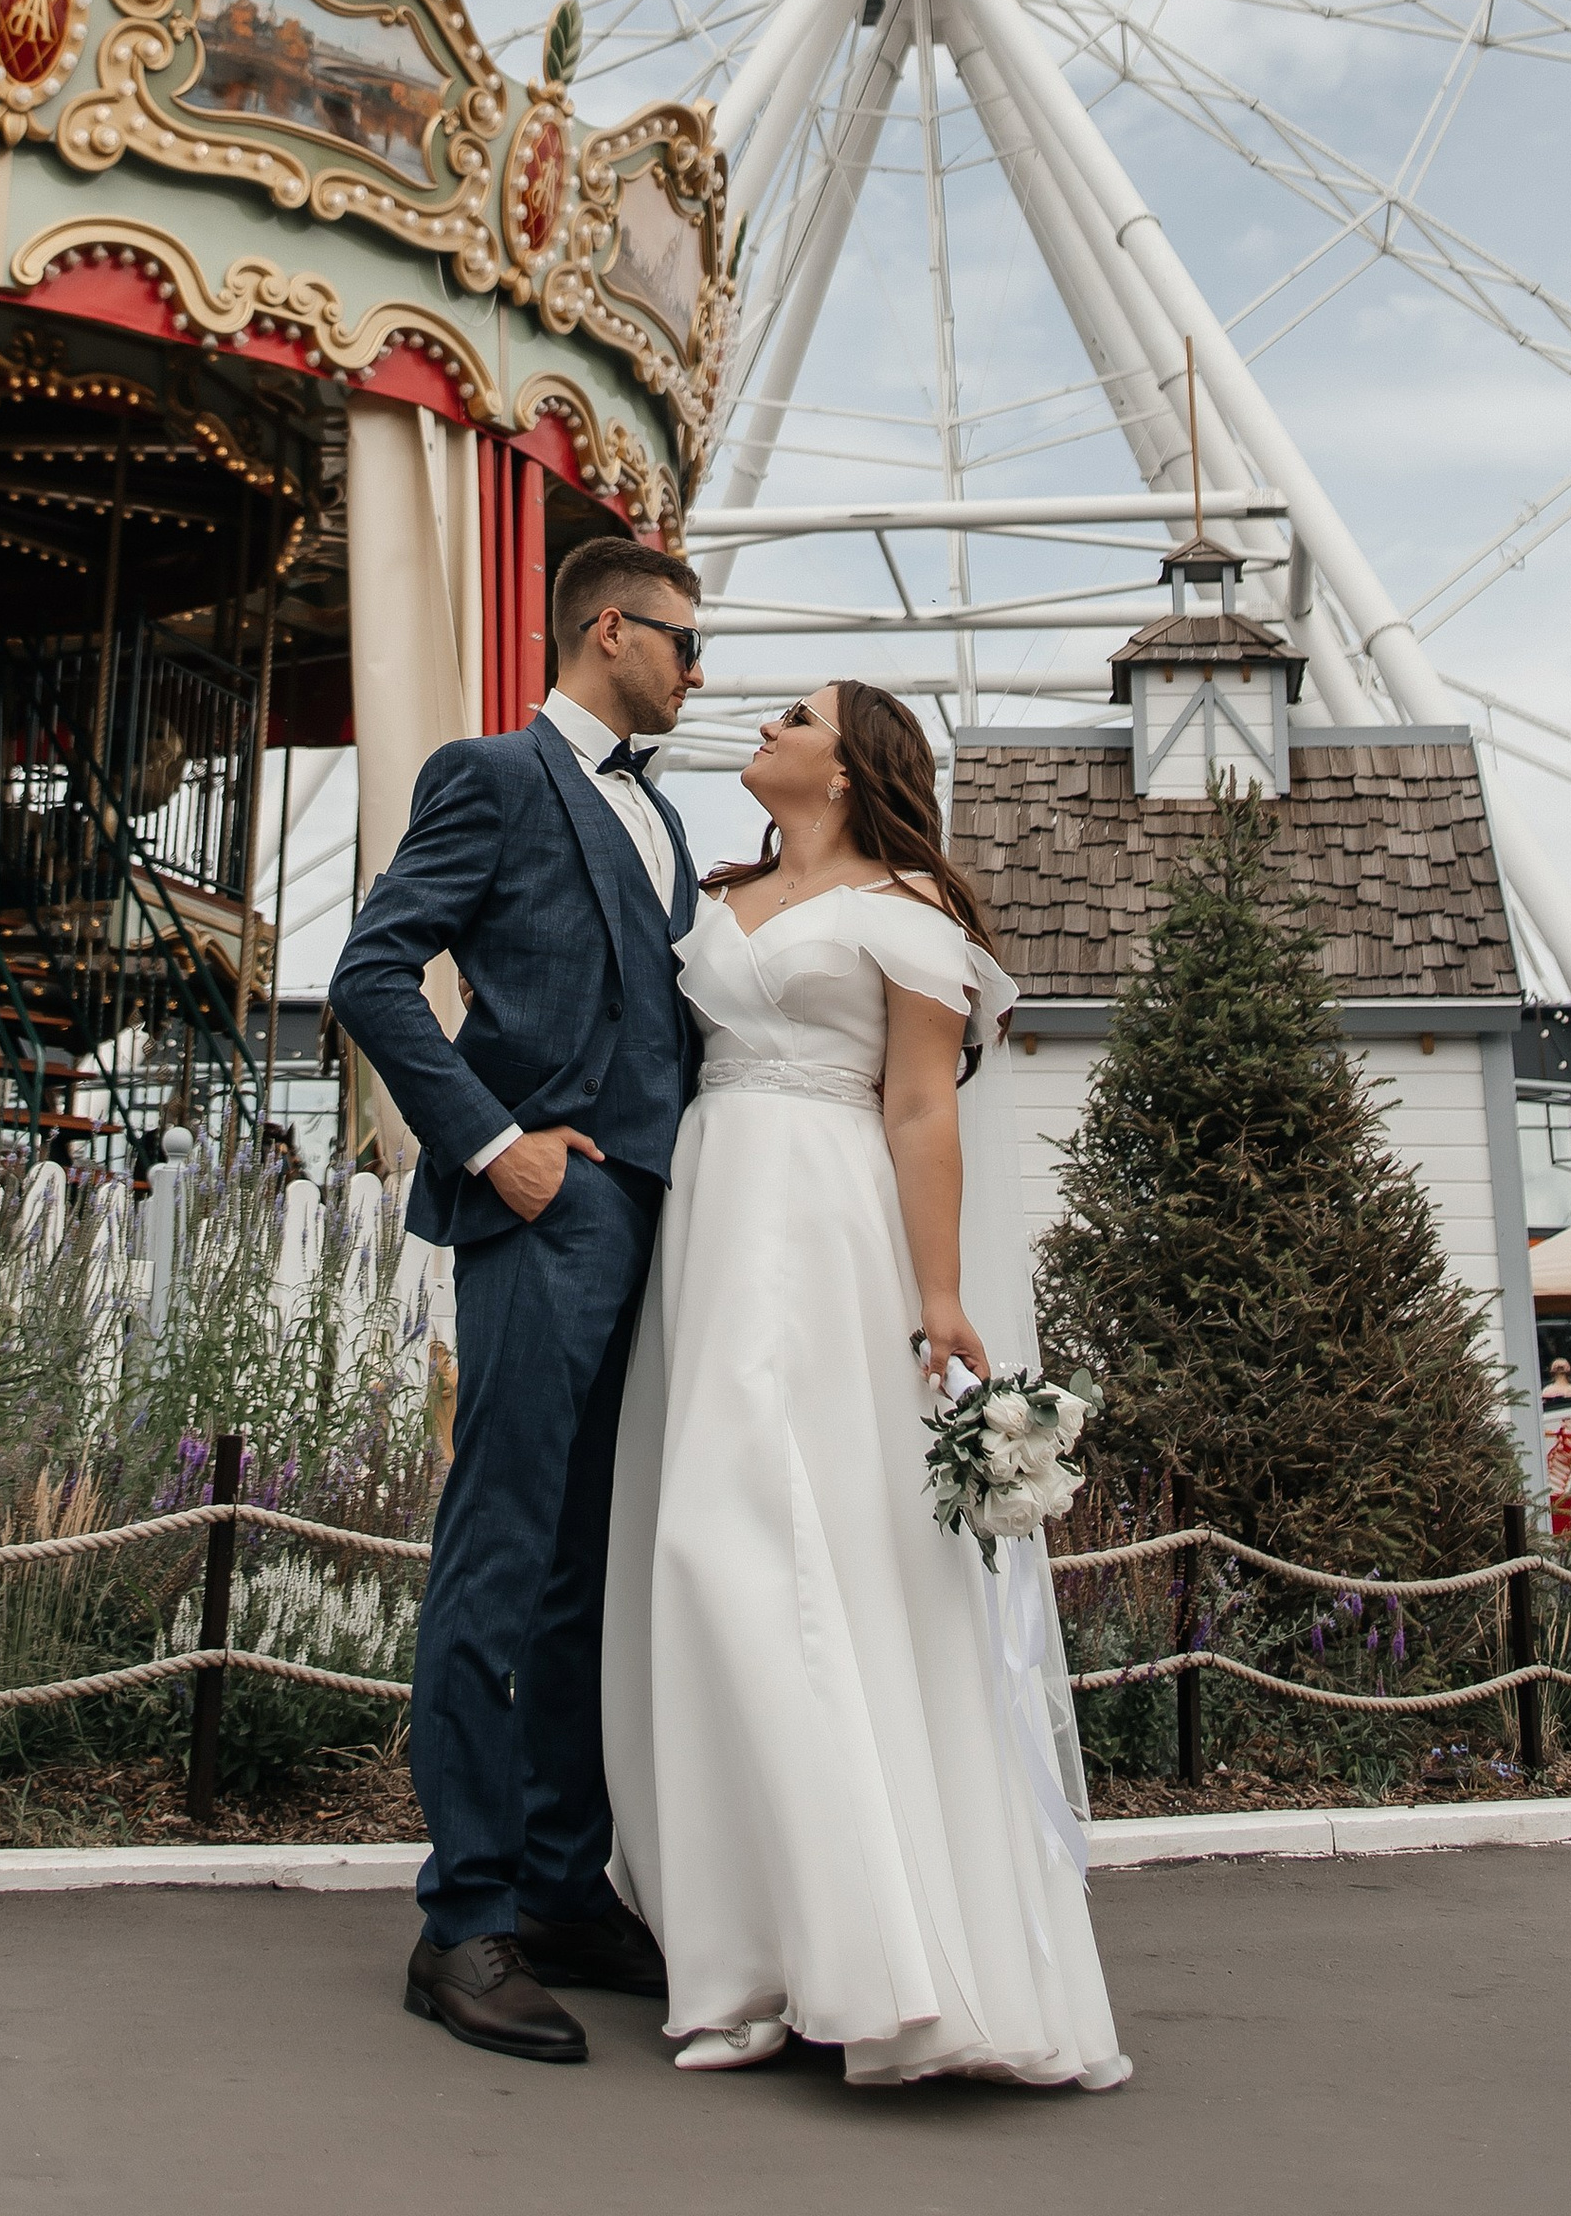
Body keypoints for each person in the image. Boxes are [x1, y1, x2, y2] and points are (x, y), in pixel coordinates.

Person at [603, 681, 1130, 2091]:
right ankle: (744, 1954)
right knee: (696, 1547)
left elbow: (918, 1105)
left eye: (795, 714)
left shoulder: (906, 910)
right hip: (707, 1224)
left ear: (848, 766)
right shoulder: (716, 893)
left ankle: (867, 1949)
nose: (760, 724)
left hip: (821, 1225)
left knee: (765, 1540)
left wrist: (943, 1293)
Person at [326, 533, 706, 2064]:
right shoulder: (491, 774)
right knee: (499, 1551)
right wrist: (493, 1143)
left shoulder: (670, 813)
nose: (700, 668)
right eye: (685, 641)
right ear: (608, 629)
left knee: (583, 1566)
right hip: (545, 1210)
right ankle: (463, 1914)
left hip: (659, 1220)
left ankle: (557, 1876)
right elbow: (372, 970)